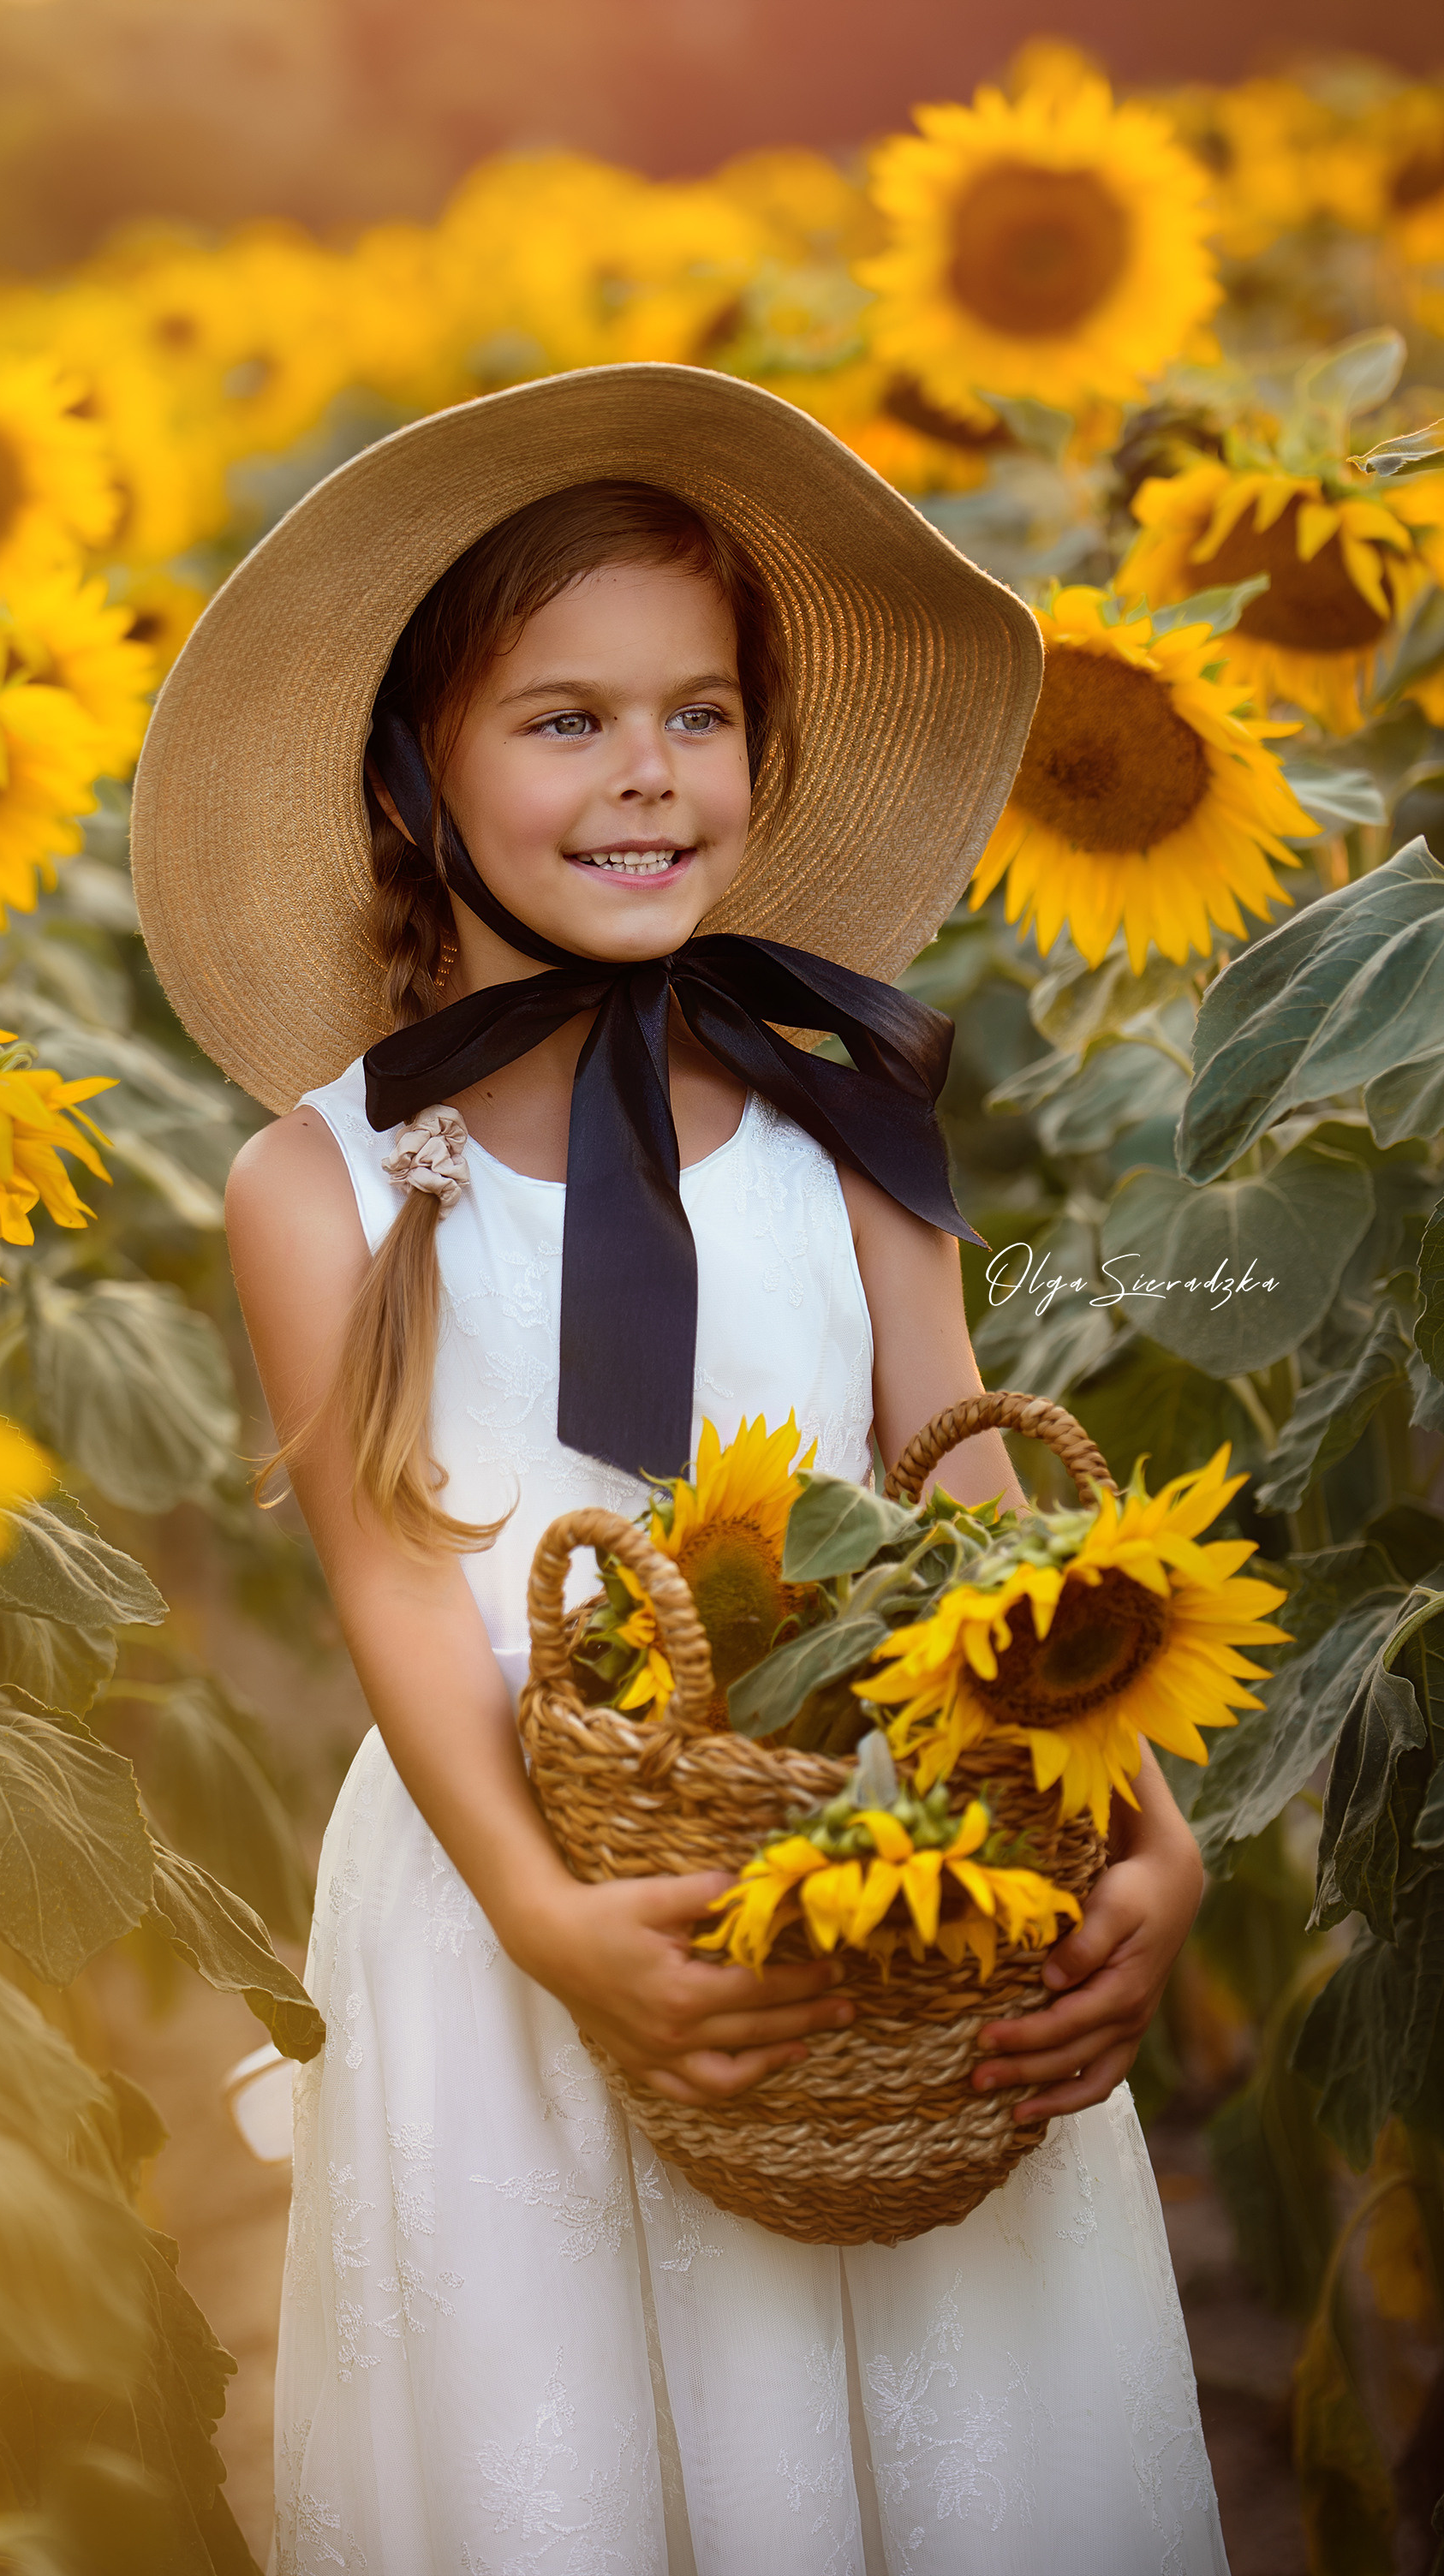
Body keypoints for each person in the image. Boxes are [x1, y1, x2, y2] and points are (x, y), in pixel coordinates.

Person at [131, 364, 1226, 2576]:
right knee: (578, 2463)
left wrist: (1151, 1826)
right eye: (564, 718)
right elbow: (392, 1584)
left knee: (949, 2445)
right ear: (408, 775)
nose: (649, 773)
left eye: (699, 713)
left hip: (889, 1894)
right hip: (524, 1910)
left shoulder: (845, 1123)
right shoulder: (323, 1181)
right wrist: (551, 1920)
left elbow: (967, 1493)